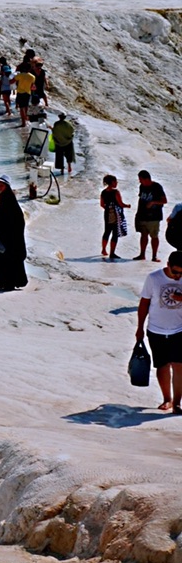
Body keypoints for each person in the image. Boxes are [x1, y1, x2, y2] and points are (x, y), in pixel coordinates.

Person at [135, 251, 182, 412]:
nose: (178, 276)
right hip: (156, 329)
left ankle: (177, 403)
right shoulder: (154, 278)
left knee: (178, 366)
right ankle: (167, 399)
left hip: (179, 329)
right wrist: (139, 328)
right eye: (175, 272)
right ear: (168, 265)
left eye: (181, 273)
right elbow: (144, 304)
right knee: (162, 366)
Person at [0, 177, 28, 290]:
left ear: (7, 186)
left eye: (2, 185)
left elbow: (10, 220)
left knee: (6, 260)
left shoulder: (8, 202)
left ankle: (8, 283)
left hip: (9, 238)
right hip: (8, 237)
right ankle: (7, 283)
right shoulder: (6, 200)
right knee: (7, 260)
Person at [136, 170, 168, 260]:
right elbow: (140, 199)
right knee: (143, 235)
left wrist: (153, 202)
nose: (139, 181)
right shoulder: (142, 186)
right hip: (142, 215)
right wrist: (138, 213)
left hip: (154, 216)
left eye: (140, 179)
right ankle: (142, 255)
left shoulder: (157, 187)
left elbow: (164, 201)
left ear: (147, 179)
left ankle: (154, 256)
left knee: (154, 236)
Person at [101, 174, 128, 261]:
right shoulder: (115, 192)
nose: (116, 183)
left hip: (107, 213)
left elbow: (102, 204)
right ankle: (112, 253)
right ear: (112, 182)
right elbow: (121, 204)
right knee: (115, 233)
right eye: (116, 181)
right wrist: (127, 206)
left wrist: (108, 209)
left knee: (107, 231)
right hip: (115, 214)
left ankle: (104, 250)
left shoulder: (103, 192)